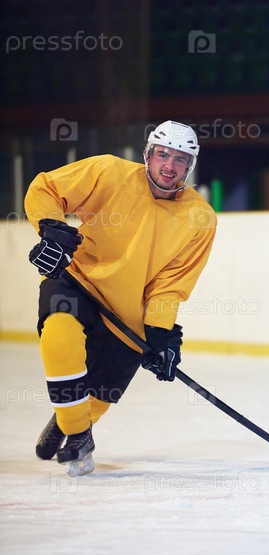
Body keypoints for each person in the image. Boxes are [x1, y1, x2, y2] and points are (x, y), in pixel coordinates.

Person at [25, 120, 217, 477]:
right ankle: (78, 434)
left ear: (189, 167)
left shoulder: (200, 218)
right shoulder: (109, 172)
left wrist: (159, 332)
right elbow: (47, 188)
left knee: (101, 394)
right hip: (78, 280)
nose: (169, 165)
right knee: (59, 338)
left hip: (129, 313)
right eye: (162, 155)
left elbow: (171, 284)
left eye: (180, 159)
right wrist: (52, 229)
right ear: (147, 154)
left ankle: (68, 420)